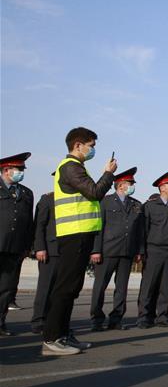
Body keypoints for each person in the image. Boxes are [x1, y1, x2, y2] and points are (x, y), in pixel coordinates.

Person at [44, 129, 116, 355]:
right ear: (78, 145)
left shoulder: (77, 167)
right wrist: (108, 173)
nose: (92, 149)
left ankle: (63, 334)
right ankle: (52, 338)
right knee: (65, 287)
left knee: (72, 287)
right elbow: (95, 192)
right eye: (90, 144)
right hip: (73, 234)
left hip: (81, 234)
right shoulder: (70, 167)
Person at [90, 167, 144, 331]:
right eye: (130, 183)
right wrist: (95, 250)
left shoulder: (136, 204)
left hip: (127, 251)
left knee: (122, 288)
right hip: (107, 250)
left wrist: (139, 251)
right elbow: (98, 227)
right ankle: (97, 319)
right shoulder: (105, 202)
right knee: (100, 286)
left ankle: (116, 319)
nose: (133, 185)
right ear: (121, 185)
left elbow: (139, 230)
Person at [137, 170, 168, 328]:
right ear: (162, 187)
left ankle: (162, 317)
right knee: (149, 286)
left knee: (166, 287)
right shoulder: (149, 206)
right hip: (153, 251)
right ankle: (144, 317)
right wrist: (141, 251)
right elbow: (142, 230)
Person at [0, 153, 35, 336]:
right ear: (6, 170)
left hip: (15, 248)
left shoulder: (26, 193)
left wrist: (27, 246)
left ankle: (0, 322)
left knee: (7, 288)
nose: (21, 172)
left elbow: (29, 222)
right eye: (18, 169)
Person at [31, 186, 58, 334]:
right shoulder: (48, 199)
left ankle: (53, 320)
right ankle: (38, 320)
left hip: (66, 251)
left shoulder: (73, 200)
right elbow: (39, 225)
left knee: (59, 290)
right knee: (45, 287)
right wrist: (40, 247)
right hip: (50, 249)